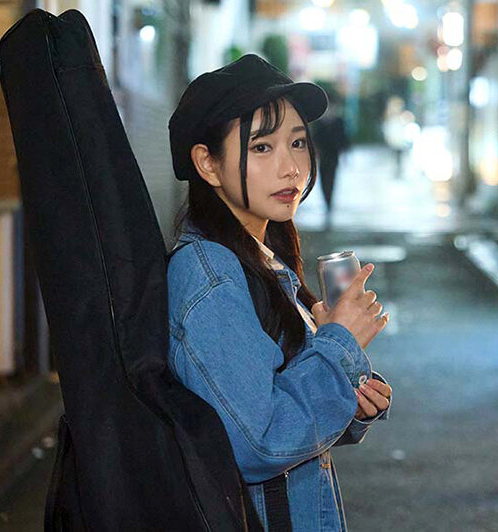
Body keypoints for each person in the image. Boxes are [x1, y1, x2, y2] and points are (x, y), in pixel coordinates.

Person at [165, 54, 393, 531]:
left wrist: (349, 396)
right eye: (262, 147)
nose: (291, 167)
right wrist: (337, 345)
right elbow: (259, 442)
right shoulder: (213, 276)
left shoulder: (261, 258)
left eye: (297, 142)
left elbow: (269, 410)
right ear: (208, 163)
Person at [311, 86, 350, 221]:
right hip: (323, 155)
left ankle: (329, 202)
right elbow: (314, 138)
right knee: (323, 179)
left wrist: (345, 152)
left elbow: (343, 138)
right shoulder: (319, 122)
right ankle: (327, 201)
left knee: (331, 179)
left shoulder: (338, 121)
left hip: (333, 155)